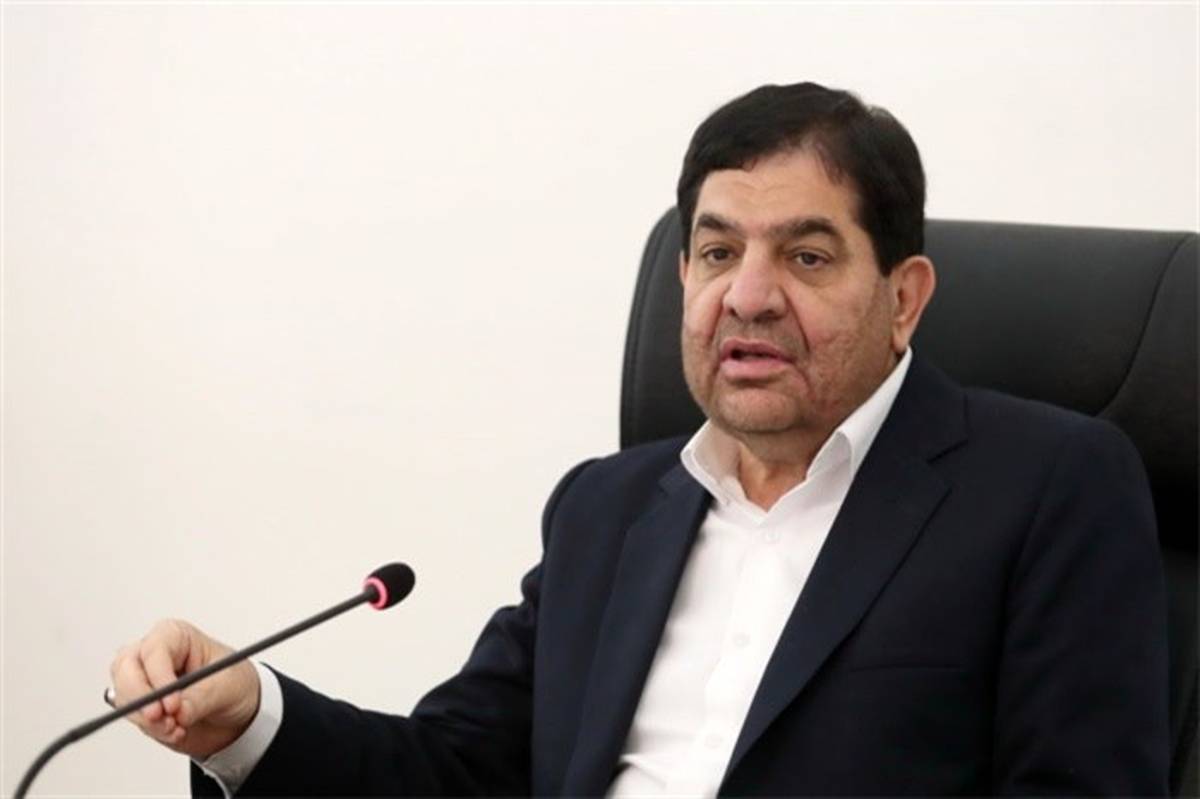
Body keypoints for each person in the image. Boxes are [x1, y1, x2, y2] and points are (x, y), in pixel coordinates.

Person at [110, 82, 1170, 796]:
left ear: (905, 298)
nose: (747, 296)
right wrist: (246, 717)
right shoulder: (606, 508)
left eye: (805, 257)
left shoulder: (1047, 485)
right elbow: (456, 771)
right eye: (717, 252)